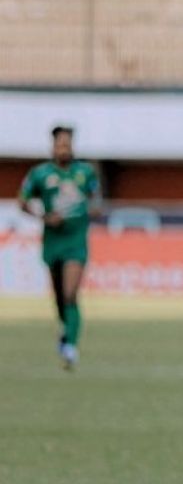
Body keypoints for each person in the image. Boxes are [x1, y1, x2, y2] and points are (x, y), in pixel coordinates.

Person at [17, 125, 101, 369]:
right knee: (58, 295)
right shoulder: (40, 174)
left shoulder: (85, 172)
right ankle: (65, 330)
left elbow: (96, 200)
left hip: (76, 241)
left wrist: (93, 209)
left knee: (70, 293)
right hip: (53, 242)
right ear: (52, 146)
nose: (64, 148)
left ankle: (71, 346)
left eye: (67, 144)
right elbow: (22, 202)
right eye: (60, 144)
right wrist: (44, 217)